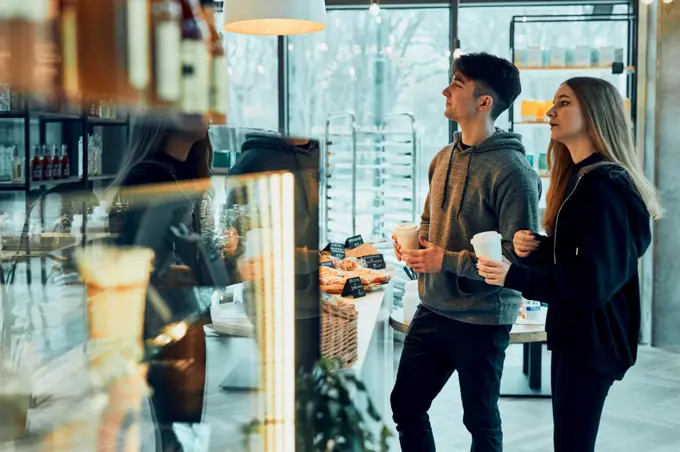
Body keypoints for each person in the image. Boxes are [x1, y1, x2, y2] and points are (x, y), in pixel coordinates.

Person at [476, 77, 663, 452]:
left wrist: (515, 275)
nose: (550, 111)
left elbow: (590, 285)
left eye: (563, 103)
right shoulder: (583, 179)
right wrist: (542, 249)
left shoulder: (602, 188)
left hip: (591, 342)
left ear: (595, 114)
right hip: (579, 335)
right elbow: (589, 257)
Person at [391, 52, 542, 452]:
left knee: (479, 420)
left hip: (483, 318)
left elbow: (516, 256)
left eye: (457, 83)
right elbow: (429, 219)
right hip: (433, 306)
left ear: (484, 101)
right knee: (405, 404)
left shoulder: (514, 172)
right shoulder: (443, 157)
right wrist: (417, 246)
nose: (445, 89)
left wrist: (447, 260)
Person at [109, 114, 237, 452]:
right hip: (159, 325)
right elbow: (143, 266)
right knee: (174, 433)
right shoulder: (149, 177)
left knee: (182, 430)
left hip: (181, 320)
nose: (203, 113)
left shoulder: (185, 173)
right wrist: (212, 267)